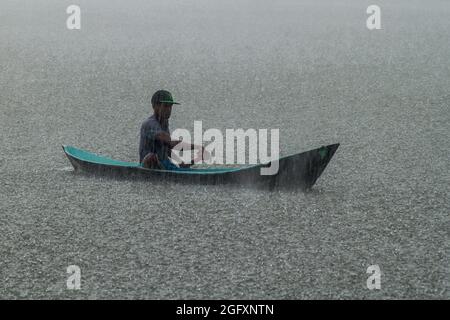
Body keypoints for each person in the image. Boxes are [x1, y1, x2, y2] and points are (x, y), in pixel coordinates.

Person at [139, 90, 208, 170]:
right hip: (149, 164)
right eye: (165, 106)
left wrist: (181, 162)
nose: (168, 109)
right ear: (155, 106)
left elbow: (166, 148)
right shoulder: (149, 124)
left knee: (174, 165)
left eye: (170, 106)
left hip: (164, 163)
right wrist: (197, 147)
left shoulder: (164, 123)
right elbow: (171, 143)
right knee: (151, 156)